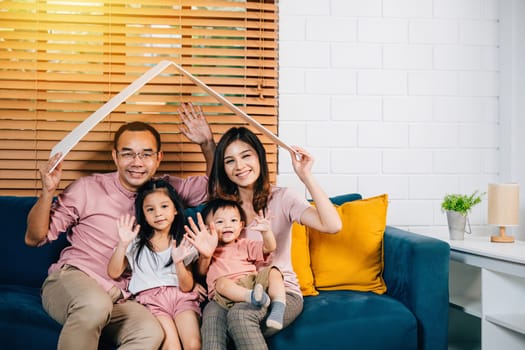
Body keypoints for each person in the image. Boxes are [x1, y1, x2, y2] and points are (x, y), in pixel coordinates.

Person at [24, 102, 215, 350]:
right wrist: (48, 191)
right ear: (115, 156)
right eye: (128, 153)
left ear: (158, 158)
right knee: (95, 305)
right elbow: (34, 237)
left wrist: (207, 144)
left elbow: (215, 187)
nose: (137, 162)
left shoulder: (165, 192)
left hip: (123, 297)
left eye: (146, 154)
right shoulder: (87, 188)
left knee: (150, 332)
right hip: (75, 280)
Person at [185, 124, 342, 349]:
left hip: (277, 291)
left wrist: (306, 176)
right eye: (229, 160)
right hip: (231, 291)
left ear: (259, 157)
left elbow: (332, 225)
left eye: (246, 156)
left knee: (240, 316)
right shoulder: (222, 209)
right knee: (210, 321)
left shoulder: (283, 197)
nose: (239, 166)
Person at [108, 178, 201, 350]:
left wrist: (178, 262)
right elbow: (114, 272)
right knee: (171, 347)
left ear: (175, 210)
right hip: (151, 301)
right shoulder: (135, 241)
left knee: (194, 345)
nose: (158, 213)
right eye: (150, 209)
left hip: (181, 298)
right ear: (143, 215)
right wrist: (122, 244)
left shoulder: (184, 242)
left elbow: (187, 286)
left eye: (164, 206)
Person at [195, 198, 286, 331]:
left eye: (233, 220)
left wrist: (266, 232)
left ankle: (278, 307)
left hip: (252, 284)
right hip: (227, 292)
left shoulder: (244, 244)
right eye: (220, 222)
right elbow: (201, 273)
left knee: (274, 272)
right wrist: (206, 255)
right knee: (221, 282)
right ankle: (253, 298)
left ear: (241, 225)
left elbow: (269, 247)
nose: (228, 225)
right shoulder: (206, 249)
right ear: (207, 229)